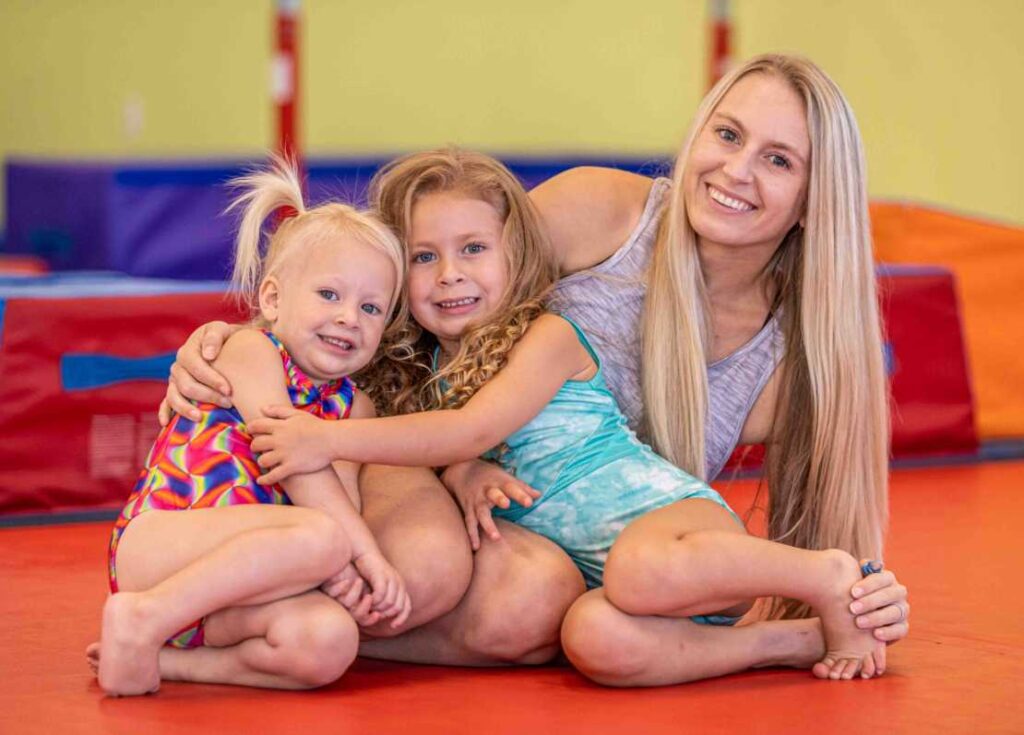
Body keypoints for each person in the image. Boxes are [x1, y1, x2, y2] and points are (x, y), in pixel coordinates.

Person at [162, 53, 910, 674]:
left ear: (815, 198)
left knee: (552, 611)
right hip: (426, 461)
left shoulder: (794, 362)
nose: (736, 171)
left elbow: (823, 538)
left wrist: (866, 591)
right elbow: (413, 266)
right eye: (727, 134)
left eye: (777, 159)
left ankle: (301, 634)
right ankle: (267, 626)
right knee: (432, 568)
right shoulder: (605, 213)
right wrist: (248, 338)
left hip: (591, 557)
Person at [88, 158, 410, 696]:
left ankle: (169, 658)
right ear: (273, 299)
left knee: (330, 639)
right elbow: (305, 477)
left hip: (248, 586)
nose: (350, 317)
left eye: (371, 307)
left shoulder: (355, 408)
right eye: (330, 295)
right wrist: (366, 559)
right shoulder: (251, 351)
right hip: (162, 548)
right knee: (325, 536)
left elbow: (343, 502)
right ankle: (144, 614)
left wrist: (348, 580)